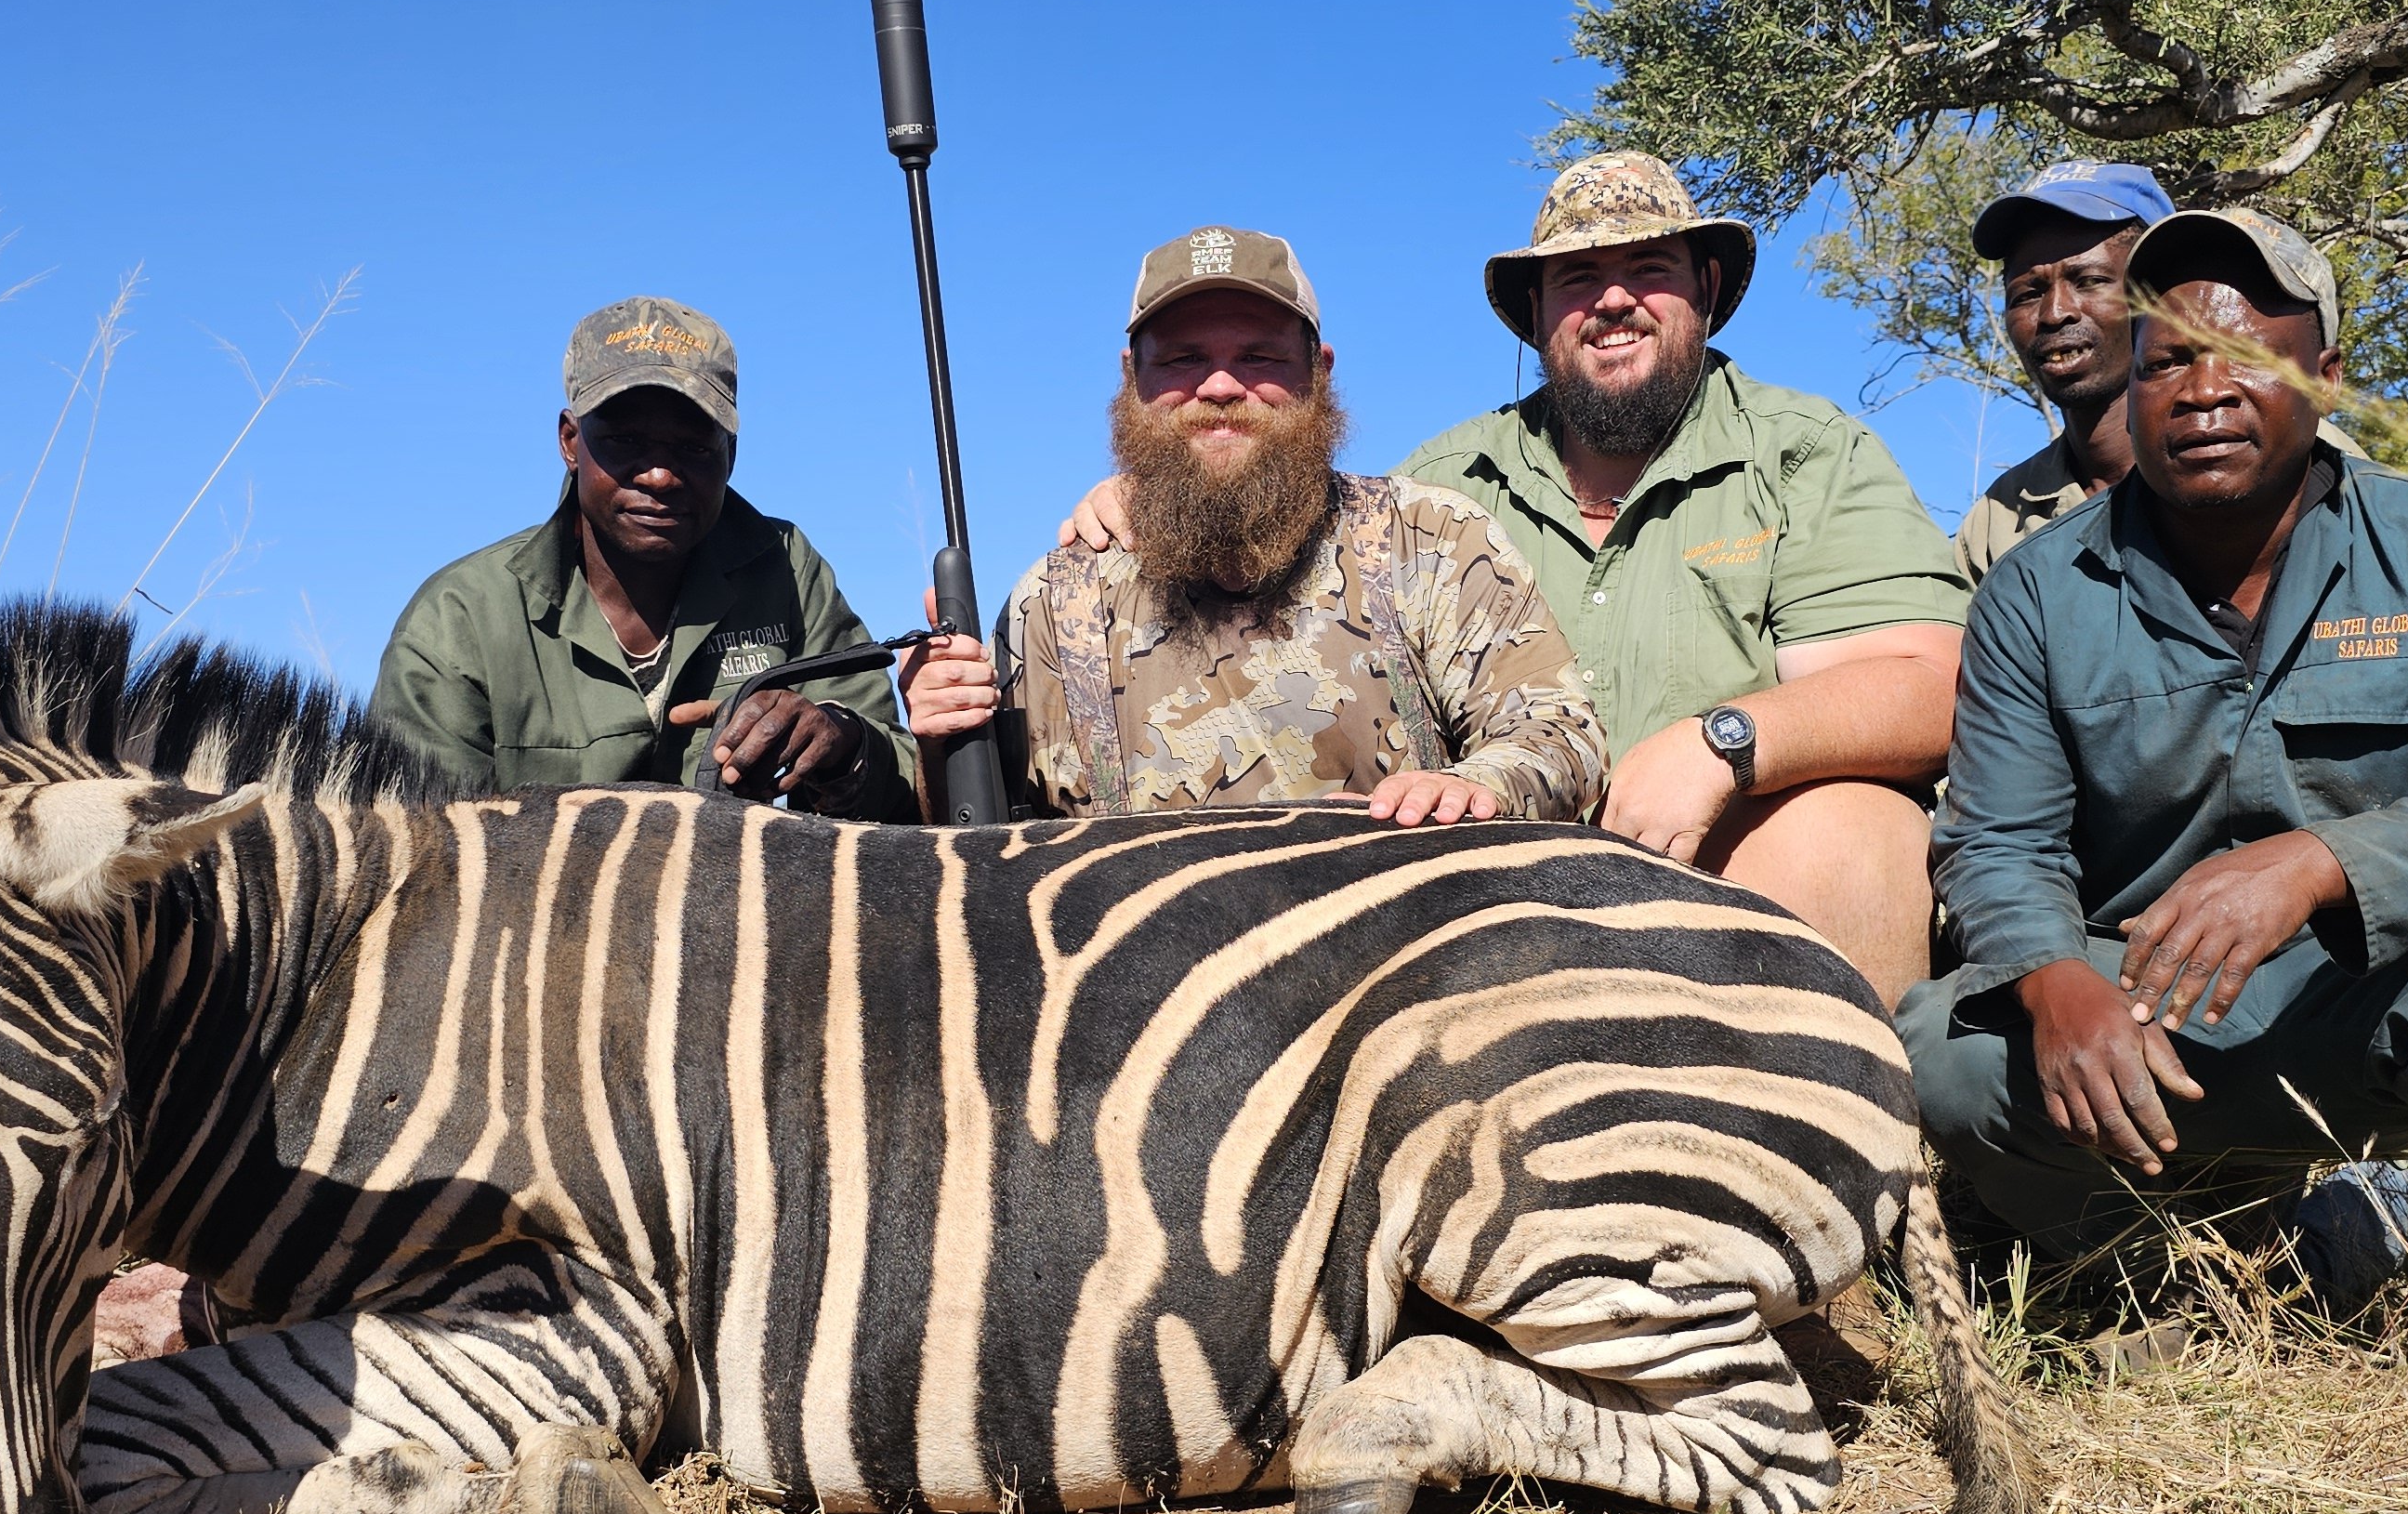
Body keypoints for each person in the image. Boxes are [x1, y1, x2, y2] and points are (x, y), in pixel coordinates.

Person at [1898, 207, 2408, 1393]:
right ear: (2129, 395)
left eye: (2243, 353)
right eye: (2165, 360)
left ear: (2326, 378)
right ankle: (2136, 1286)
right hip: (2148, 1021)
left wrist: (2317, 863)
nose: (2200, 390)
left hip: (2380, 999)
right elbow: (1994, 841)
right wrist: (2052, 980)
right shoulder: (2036, 588)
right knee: (1942, 1048)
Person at [1055, 156, 1964, 995]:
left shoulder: (1808, 454)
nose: (1613, 299)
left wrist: (1717, 743)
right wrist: (1175, 485)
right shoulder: (1441, 485)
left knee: (1854, 829)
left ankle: (1835, 1145)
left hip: (1723, 879)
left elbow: (1927, 684)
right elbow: (1278, 524)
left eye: (1649, 267)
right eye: (1576, 278)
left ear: (1707, 288)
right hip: (1491, 902)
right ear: (1534, 315)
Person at [901, 226, 1602, 825]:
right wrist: (941, 738)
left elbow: (1560, 733)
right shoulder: (1055, 601)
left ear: (1318, 373)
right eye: (1183, 359)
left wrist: (1477, 787)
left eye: (1258, 356)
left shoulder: (1429, 537)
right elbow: (981, 839)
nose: (1219, 386)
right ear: (1131, 382)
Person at [375, 296, 915, 816]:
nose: (659, 476)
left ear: (731, 453)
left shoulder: (788, 569)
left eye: (694, 448)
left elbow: (906, 777)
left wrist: (843, 747)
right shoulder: (460, 618)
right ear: (569, 441)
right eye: (625, 441)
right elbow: (422, 851)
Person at [1955, 162, 2174, 579]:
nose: (2054, 313)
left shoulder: (2279, 462)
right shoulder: (1995, 524)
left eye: (2090, 280)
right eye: (2028, 293)